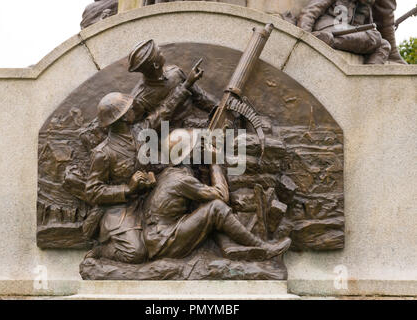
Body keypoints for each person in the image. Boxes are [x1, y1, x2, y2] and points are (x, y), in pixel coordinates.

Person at [83, 83, 201, 263]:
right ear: (122, 118)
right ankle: (102, 251)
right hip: (121, 209)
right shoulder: (103, 153)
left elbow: (164, 111)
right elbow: (92, 191)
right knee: (136, 253)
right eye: (129, 109)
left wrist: (186, 85)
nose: (133, 109)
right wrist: (127, 189)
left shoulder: (139, 131)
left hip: (148, 195)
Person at [142, 129, 292, 261]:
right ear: (189, 154)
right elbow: (221, 195)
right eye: (198, 147)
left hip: (157, 238)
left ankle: (233, 247)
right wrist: (215, 162)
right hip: (165, 241)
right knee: (216, 208)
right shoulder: (183, 180)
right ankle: (262, 248)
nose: (202, 149)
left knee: (205, 209)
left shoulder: (170, 173)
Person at [128, 39, 218, 130]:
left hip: (196, 123)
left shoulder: (175, 72)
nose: (162, 52)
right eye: (159, 52)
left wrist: (220, 108)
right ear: (156, 65)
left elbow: (200, 97)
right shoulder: (139, 99)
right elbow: (139, 130)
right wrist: (185, 86)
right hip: (172, 138)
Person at [297, 0, 391, 64]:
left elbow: (364, 31)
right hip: (327, 26)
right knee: (374, 36)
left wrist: (363, 9)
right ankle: (322, 38)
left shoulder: (363, 6)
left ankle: (368, 78)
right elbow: (311, 11)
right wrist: (304, 35)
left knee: (384, 44)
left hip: (345, 31)